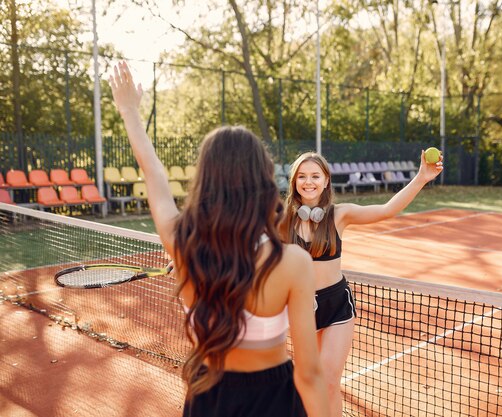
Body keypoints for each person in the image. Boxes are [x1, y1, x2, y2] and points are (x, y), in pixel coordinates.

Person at [108, 61, 329, 417]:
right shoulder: (292, 263)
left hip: (207, 397)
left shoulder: (181, 242)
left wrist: (128, 109)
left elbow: (154, 173)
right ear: (262, 179)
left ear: (205, 180)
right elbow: (310, 374)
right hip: (274, 400)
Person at [280, 151, 443, 416]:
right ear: (294, 181)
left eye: (315, 176)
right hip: (301, 310)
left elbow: (387, 209)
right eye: (302, 176)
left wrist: (422, 178)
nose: (308, 182)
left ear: (326, 180)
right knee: (309, 382)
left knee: (329, 382)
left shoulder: (340, 215)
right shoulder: (283, 220)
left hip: (336, 307)